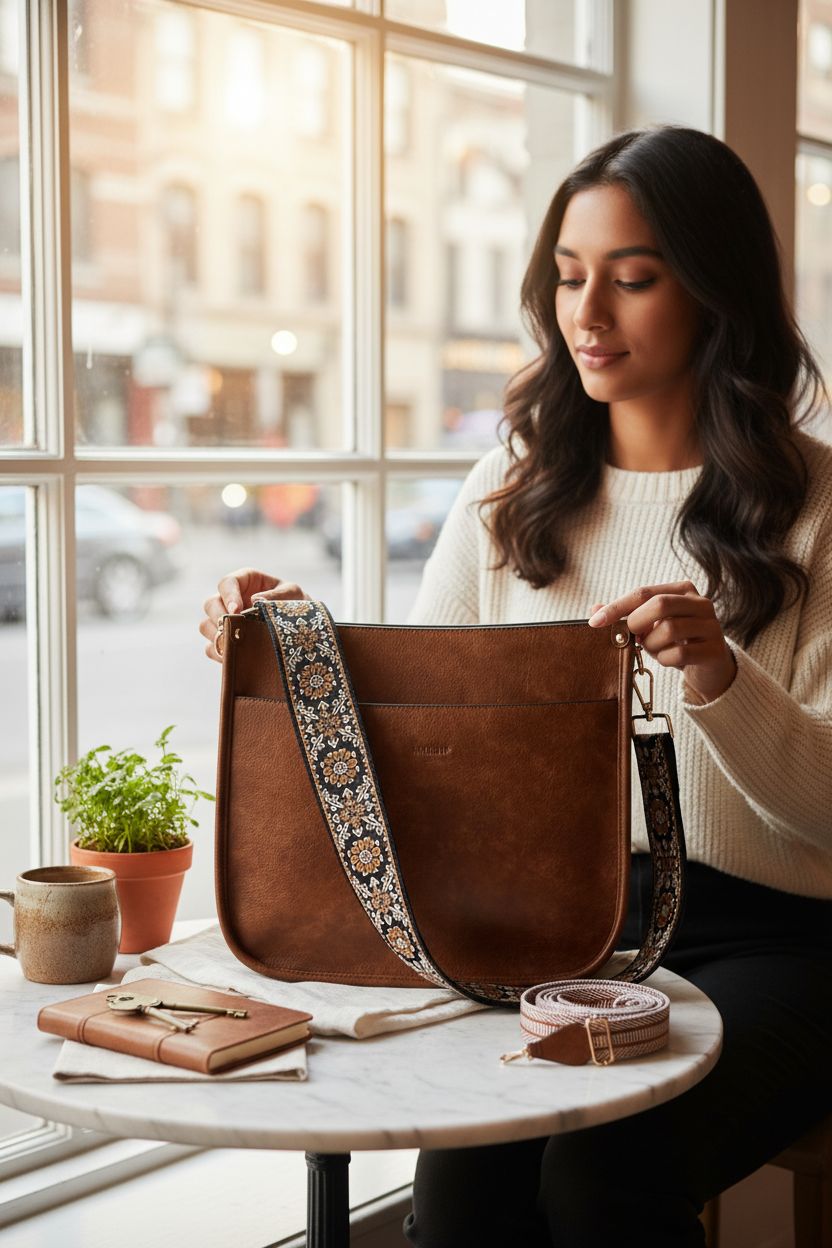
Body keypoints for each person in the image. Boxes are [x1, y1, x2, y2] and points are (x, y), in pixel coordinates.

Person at [199, 125, 832, 1247]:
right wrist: (279, 640)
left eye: (632, 280)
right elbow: (420, 716)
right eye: (569, 276)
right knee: (459, 1193)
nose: (586, 314)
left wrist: (718, 675)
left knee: (601, 1185)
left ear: (715, 295)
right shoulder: (514, 484)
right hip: (550, 929)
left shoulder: (816, 504)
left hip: (776, 939)